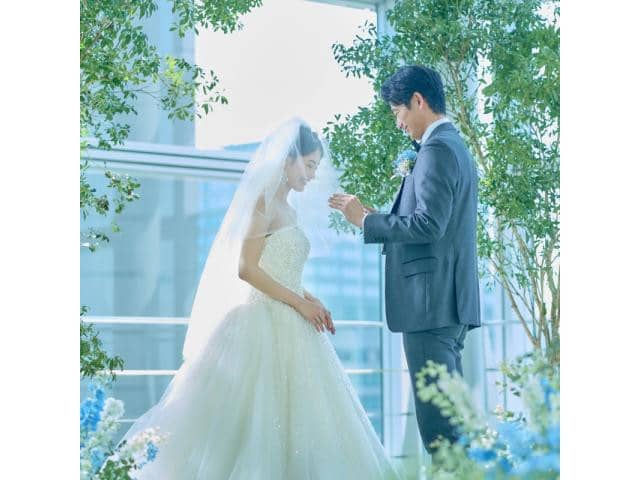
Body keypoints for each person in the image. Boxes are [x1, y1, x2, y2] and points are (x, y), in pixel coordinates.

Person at [118, 118, 402, 479]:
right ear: (288, 159)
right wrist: (300, 303)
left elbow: (280, 271)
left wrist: (312, 299)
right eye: (309, 165)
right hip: (258, 323)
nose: (312, 175)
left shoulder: (289, 209)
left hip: (291, 321)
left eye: (315, 167)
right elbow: (247, 269)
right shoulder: (262, 203)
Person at [329, 65, 482, 455]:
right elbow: (436, 222)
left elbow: (429, 224)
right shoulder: (453, 146)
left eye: (398, 112)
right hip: (446, 303)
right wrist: (378, 216)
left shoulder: (437, 149)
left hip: (430, 307)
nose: (398, 123)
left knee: (440, 430)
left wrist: (366, 221)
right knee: (450, 422)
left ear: (418, 100)